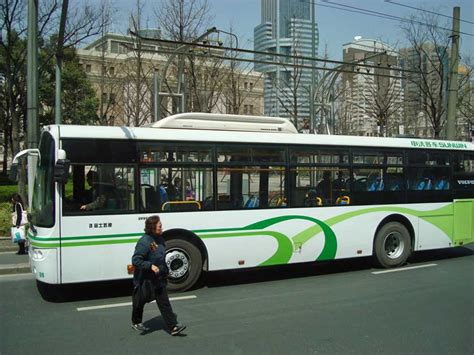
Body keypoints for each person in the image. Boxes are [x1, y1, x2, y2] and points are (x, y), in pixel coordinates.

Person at [130, 215, 186, 336]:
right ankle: (136, 322)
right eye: (160, 225)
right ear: (152, 227)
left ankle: (173, 327)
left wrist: (165, 271)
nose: (162, 227)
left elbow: (161, 257)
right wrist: (150, 266)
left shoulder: (160, 239)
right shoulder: (144, 242)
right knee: (139, 301)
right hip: (145, 279)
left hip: (158, 278)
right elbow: (136, 260)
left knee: (164, 302)